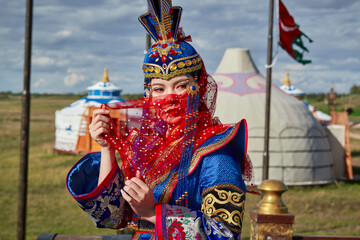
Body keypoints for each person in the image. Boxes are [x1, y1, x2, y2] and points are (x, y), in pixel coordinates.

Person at [66, 1, 252, 239]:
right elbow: (112, 216)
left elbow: (224, 233)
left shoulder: (216, 154)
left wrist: (153, 213)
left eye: (181, 86)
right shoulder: (147, 144)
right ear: (148, 93)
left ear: (199, 86)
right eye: (159, 89)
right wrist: (107, 148)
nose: (169, 98)